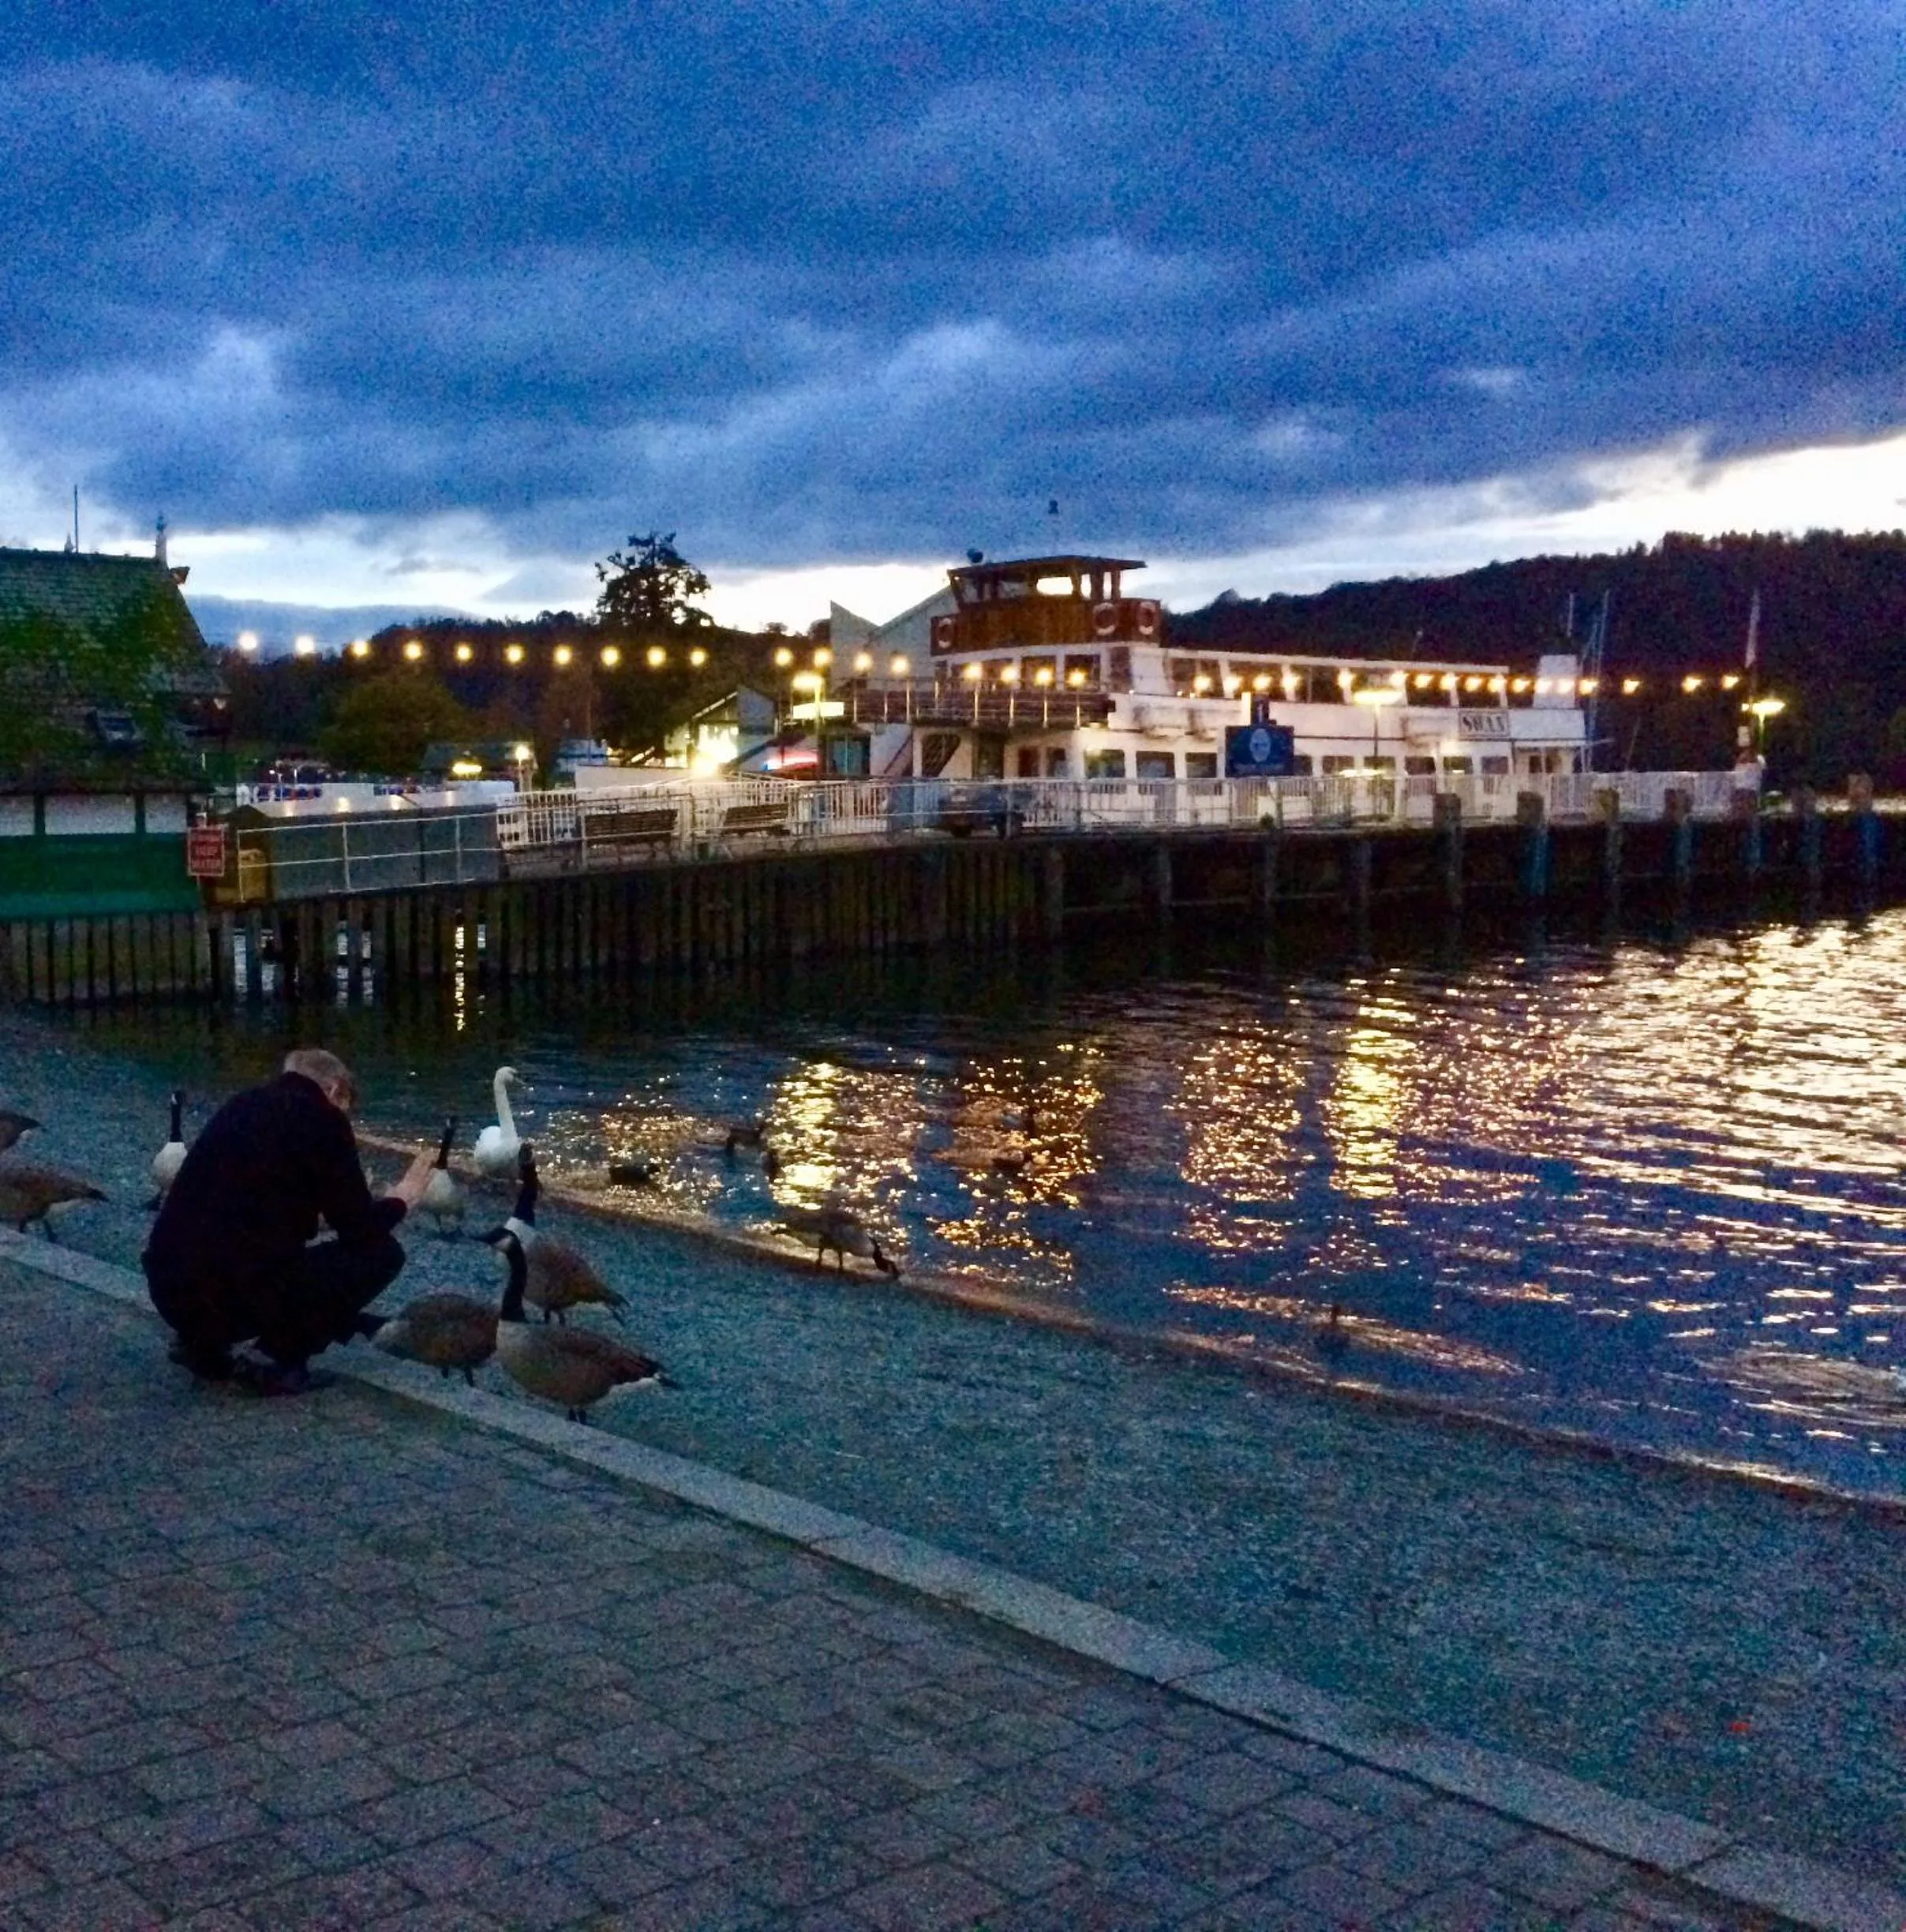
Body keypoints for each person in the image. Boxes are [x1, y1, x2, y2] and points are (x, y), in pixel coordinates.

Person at [144, 1048, 436, 1393]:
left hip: (169, 1288)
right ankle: (274, 1360)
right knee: (382, 1255)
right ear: (335, 1089)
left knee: (227, 1252)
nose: (348, 1120)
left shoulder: (241, 1104)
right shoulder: (325, 1120)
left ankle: (202, 1345)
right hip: (231, 1295)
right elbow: (360, 1232)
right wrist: (402, 1199)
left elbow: (247, 1204)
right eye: (347, 1107)